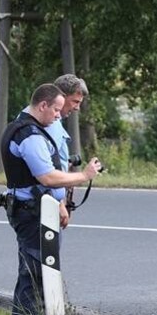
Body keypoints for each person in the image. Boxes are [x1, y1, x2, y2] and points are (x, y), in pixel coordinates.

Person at [0, 83, 102, 315]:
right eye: (56, 109)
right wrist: (84, 176)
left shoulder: (22, 128)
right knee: (34, 279)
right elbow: (47, 177)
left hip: (32, 211)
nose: (59, 115)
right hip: (32, 215)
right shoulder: (30, 136)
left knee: (33, 277)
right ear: (43, 105)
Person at [48, 74, 89, 227]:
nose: (77, 107)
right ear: (61, 97)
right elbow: (46, 170)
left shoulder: (54, 122)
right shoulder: (50, 125)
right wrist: (59, 204)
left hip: (52, 201)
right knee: (44, 250)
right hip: (48, 205)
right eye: (75, 101)